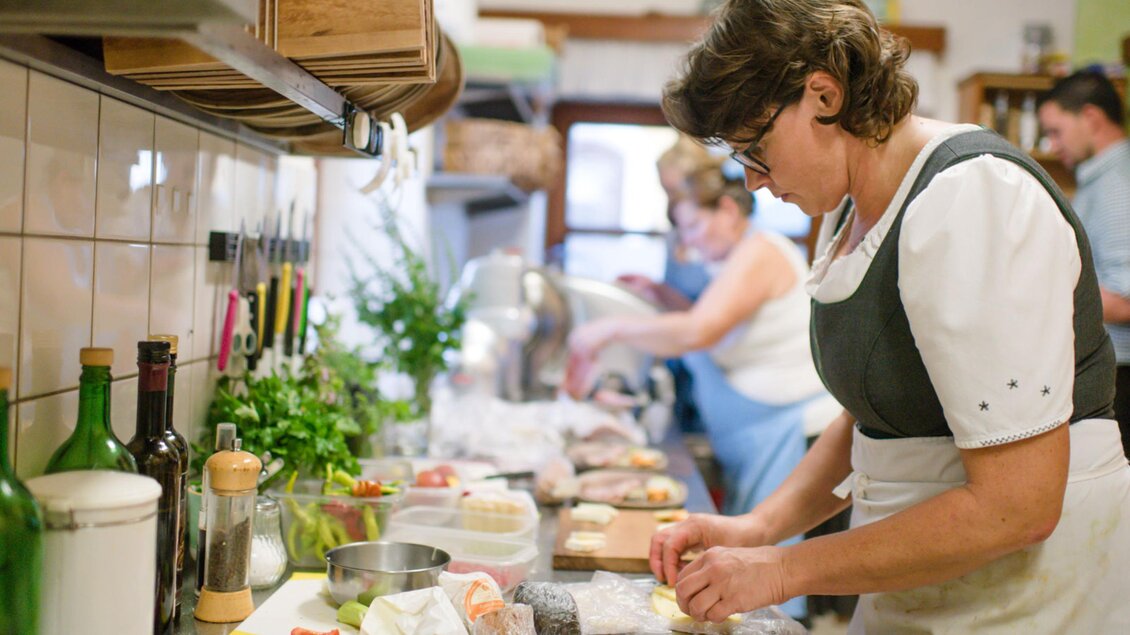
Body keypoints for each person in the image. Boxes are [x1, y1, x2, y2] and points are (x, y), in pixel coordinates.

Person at [647, 1, 1130, 632]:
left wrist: (781, 569)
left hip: (1028, 595)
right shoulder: (851, 212)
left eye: (757, 150)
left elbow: (1018, 508)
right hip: (931, 577)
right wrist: (759, 528)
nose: (754, 181)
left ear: (823, 95)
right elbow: (877, 411)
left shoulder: (970, 200)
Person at [566, 155, 830, 620]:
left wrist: (605, 331)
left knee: (772, 583)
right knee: (749, 570)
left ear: (727, 212)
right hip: (759, 434)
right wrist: (659, 294)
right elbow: (710, 320)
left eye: (691, 227)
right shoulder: (734, 260)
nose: (687, 243)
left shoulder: (761, 251)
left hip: (789, 434)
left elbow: (700, 331)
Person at [1038, 71, 1130, 458]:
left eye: (1057, 131)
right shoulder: (1099, 181)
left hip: (1120, 375)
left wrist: (1044, 290)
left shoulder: (1117, 188)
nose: (1052, 144)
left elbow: (1125, 300)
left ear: (1090, 118)